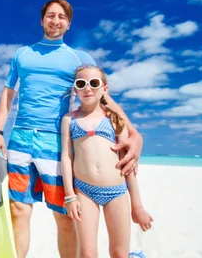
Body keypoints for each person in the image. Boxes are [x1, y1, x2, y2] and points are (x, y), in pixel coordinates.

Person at [0, 0, 144, 258]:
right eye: (50, 15)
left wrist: (134, 133)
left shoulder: (78, 58)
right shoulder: (22, 55)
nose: (55, 20)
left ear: (68, 24)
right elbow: (7, 95)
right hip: (21, 138)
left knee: (64, 216)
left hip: (56, 141)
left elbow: (102, 96)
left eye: (61, 17)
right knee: (19, 209)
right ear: (42, 20)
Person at [61, 65, 153, 258]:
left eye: (94, 83)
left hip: (117, 192)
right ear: (75, 89)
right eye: (81, 84)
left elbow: (127, 164)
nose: (88, 88)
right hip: (84, 191)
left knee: (119, 253)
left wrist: (137, 206)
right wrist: (70, 195)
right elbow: (67, 156)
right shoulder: (70, 119)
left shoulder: (114, 119)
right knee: (87, 253)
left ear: (105, 88)